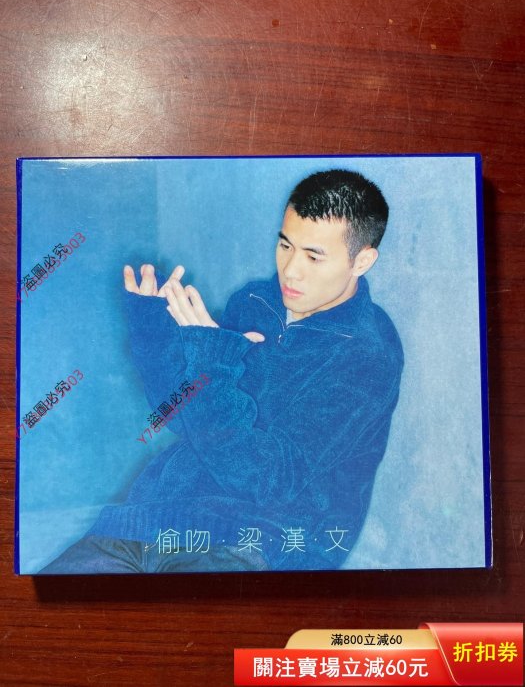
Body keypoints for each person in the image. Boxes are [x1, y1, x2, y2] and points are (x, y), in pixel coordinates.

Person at [38, 169, 404, 574]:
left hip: (259, 540)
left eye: (313, 256)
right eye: (285, 245)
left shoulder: (366, 354)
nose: (290, 270)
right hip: (153, 516)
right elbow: (181, 416)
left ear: (362, 260)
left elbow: (267, 480)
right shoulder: (255, 301)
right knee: (53, 603)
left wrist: (213, 360)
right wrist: (154, 329)